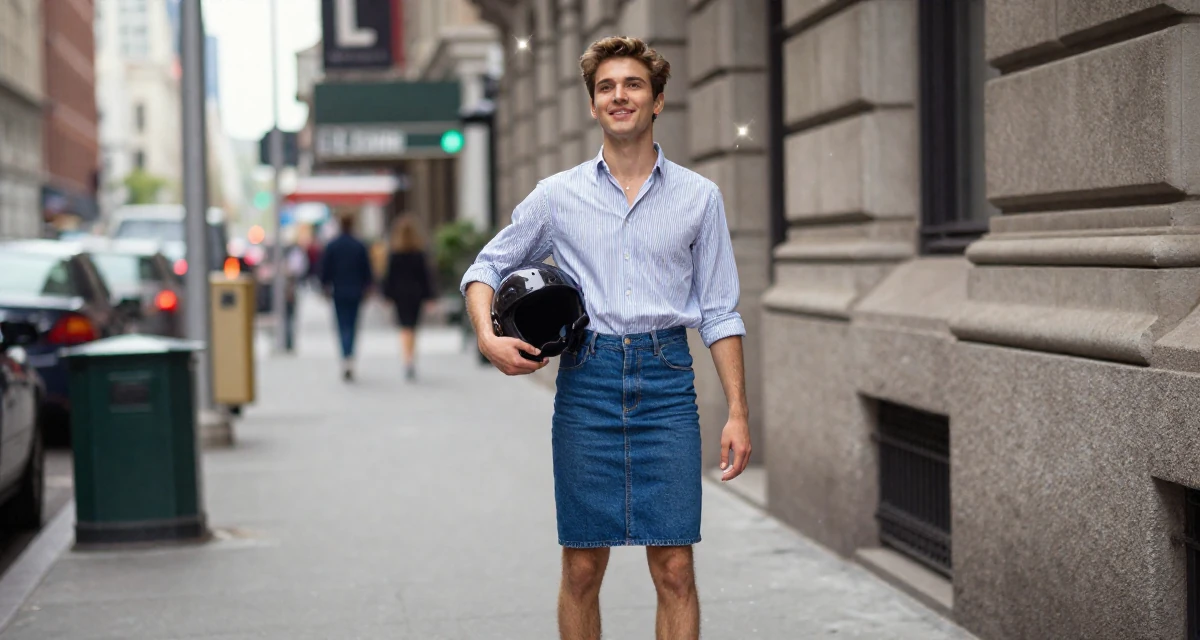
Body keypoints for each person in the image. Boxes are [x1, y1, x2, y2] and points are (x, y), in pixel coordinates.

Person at [460, 36, 751, 640]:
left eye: (633, 85)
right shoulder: (557, 197)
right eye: (606, 88)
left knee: (674, 568)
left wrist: (738, 413)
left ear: (658, 100)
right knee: (583, 566)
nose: (620, 96)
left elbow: (721, 311)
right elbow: (484, 269)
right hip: (587, 386)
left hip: (667, 385)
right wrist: (488, 338)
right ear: (593, 105)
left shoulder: (700, 198)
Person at [319, 212, 374, 381]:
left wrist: (324, 287)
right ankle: (350, 356)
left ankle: (346, 356)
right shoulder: (359, 245)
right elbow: (367, 269)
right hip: (356, 291)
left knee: (342, 325)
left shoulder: (333, 245)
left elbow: (325, 269)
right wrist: (368, 287)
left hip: (339, 291)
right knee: (353, 324)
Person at [381, 215, 435, 381]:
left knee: (404, 328)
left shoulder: (394, 254)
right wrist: (430, 296)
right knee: (413, 327)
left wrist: (387, 295)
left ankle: (407, 359)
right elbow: (426, 277)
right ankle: (411, 357)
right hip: (416, 295)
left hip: (400, 295)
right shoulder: (419, 254)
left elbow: (389, 277)